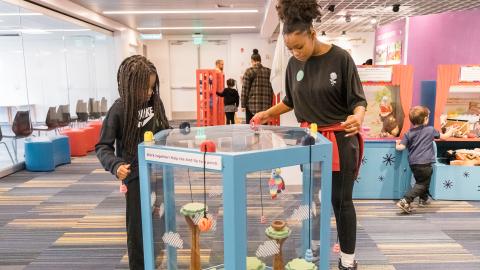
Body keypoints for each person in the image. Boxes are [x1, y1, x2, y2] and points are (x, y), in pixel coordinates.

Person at [253, 1, 367, 269]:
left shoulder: (341, 58)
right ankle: (313, 249)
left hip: (339, 140)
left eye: (299, 46)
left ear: (312, 34)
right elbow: (291, 101)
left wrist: (358, 117)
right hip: (310, 142)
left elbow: (358, 100)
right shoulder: (294, 64)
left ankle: (348, 260)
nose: (296, 52)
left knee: (340, 201)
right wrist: (266, 114)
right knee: (313, 200)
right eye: (290, 48)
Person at [96, 55, 170, 270]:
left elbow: (163, 130)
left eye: (152, 87)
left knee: (160, 220)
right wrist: (115, 165)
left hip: (159, 171)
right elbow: (103, 147)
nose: (149, 93)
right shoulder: (119, 109)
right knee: (137, 229)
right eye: (144, 88)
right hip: (135, 177)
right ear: (130, 85)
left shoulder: (155, 103)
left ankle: (156, 261)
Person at [395, 106, 456, 213]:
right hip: (425, 163)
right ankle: (405, 200)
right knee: (423, 184)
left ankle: (423, 199)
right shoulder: (430, 130)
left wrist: (397, 144)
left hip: (413, 164)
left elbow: (401, 148)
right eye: (427, 117)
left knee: (421, 182)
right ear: (425, 119)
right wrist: (452, 130)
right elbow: (445, 137)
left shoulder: (408, 133)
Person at [241, 49, 274, 124]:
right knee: (264, 129)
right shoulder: (269, 71)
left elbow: (244, 90)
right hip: (266, 107)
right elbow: (272, 89)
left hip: (252, 106)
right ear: (260, 60)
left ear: (252, 61)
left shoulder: (249, 71)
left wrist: (243, 104)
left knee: (251, 128)